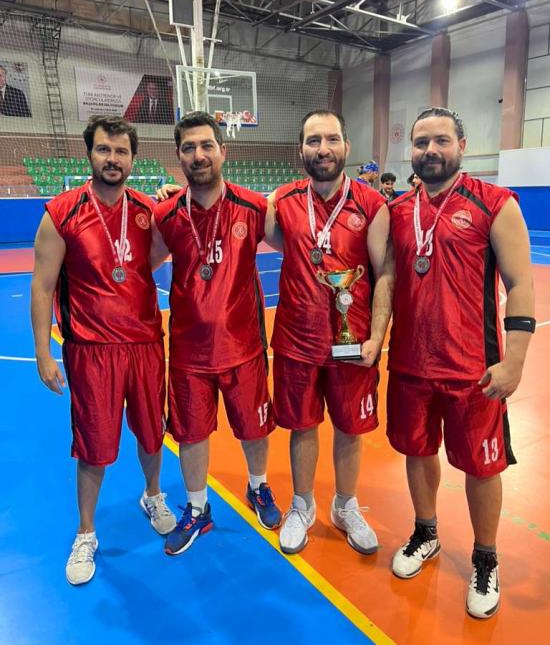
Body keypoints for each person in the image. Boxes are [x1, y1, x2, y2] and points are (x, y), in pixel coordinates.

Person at [385, 107, 535, 619]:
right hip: (410, 365)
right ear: (410, 150)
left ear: (462, 145)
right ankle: (425, 532)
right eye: (421, 142)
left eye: (441, 140)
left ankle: (485, 558)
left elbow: (521, 284)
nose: (430, 150)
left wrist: (514, 362)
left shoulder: (495, 203)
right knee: (417, 451)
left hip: (474, 370)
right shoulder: (397, 210)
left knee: (482, 467)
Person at [30, 115, 176, 586]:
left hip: (145, 344)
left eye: (121, 151)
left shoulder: (148, 210)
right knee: (93, 446)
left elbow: (148, 262)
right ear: (90, 153)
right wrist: (43, 353)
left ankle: (153, 495)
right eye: (104, 150)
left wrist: (173, 204)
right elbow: (42, 286)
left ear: (133, 158)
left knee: (152, 433)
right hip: (91, 349)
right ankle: (86, 532)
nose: (113, 159)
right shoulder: (62, 212)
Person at [151, 111, 281, 555]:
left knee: (254, 428)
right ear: (179, 157)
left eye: (207, 145)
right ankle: (197, 507)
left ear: (223, 151)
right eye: (189, 148)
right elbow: (141, 266)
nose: (198, 155)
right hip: (189, 351)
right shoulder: (166, 214)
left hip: (244, 347)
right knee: (191, 433)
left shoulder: (254, 207)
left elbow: (300, 245)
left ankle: (258, 486)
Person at [265, 110, 391, 556]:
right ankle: (302, 506)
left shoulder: (371, 205)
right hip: (297, 340)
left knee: (350, 428)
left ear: (346, 147)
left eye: (332, 139)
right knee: (301, 427)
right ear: (301, 149)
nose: (323, 149)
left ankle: (345, 505)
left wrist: (377, 337)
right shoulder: (281, 200)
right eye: (314, 140)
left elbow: (386, 273)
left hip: (351, 343)